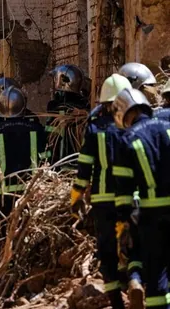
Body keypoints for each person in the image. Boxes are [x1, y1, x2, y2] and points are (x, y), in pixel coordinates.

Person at [71, 74, 135, 309]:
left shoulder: (95, 125)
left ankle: (117, 302)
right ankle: (134, 282)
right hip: (130, 197)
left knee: (106, 251)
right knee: (132, 246)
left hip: (102, 198)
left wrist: (77, 194)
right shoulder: (131, 123)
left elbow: (85, 164)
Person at [112, 88, 170, 309]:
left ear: (123, 114)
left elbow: (124, 191)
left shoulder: (128, 139)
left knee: (156, 278)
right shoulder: (168, 126)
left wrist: (123, 223)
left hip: (152, 214)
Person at [0, 87, 47, 217]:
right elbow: (46, 159)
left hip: (4, 196)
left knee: (7, 231)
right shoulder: (37, 130)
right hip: (32, 193)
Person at [45, 64, 90, 164]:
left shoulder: (55, 107)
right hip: (80, 163)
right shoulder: (84, 106)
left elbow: (49, 137)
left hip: (60, 163)